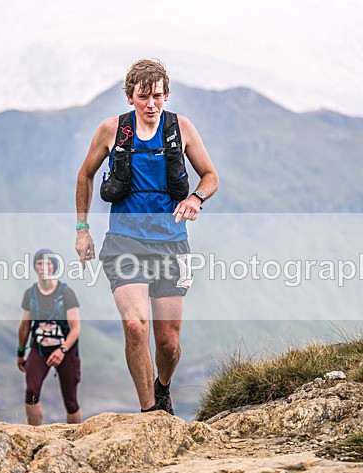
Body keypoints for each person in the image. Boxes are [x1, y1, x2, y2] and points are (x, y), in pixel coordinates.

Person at [74, 59, 219, 415]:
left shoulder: (181, 129)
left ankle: (163, 387)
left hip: (172, 243)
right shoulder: (111, 131)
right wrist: (82, 229)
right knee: (136, 326)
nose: (151, 103)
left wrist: (195, 198)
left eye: (157, 95)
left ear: (165, 95)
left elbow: (211, 175)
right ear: (130, 97)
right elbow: (85, 176)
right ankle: (150, 412)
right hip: (125, 242)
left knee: (168, 343)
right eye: (143, 96)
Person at [17, 248, 82, 425]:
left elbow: (75, 328)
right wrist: (21, 352)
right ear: (35, 267)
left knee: (71, 401)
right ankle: (34, 436)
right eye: (39, 263)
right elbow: (24, 327)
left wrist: (62, 350)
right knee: (31, 392)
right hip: (39, 350)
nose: (44, 267)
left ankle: (74, 441)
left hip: (66, 351)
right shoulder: (30, 294)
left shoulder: (66, 293)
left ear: (54, 267)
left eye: (48, 263)